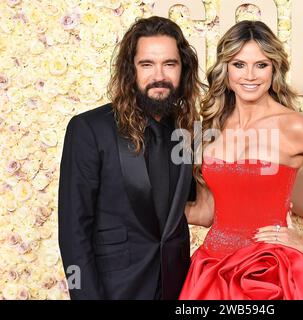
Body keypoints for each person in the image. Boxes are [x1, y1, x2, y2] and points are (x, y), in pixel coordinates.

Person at [179, 20, 303, 300]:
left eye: (261, 65)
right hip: (213, 270)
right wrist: (148, 211)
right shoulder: (210, 126)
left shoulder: (293, 127)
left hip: (269, 274)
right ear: (225, 70)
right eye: (239, 64)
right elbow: (208, 212)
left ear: (274, 69)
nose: (250, 75)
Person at [58, 16, 200, 299]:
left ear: (183, 70)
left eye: (169, 64)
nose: (159, 75)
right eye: (147, 64)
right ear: (130, 70)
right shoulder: (89, 128)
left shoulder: (188, 129)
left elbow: (187, 208)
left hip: (178, 287)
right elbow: (74, 231)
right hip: (116, 290)